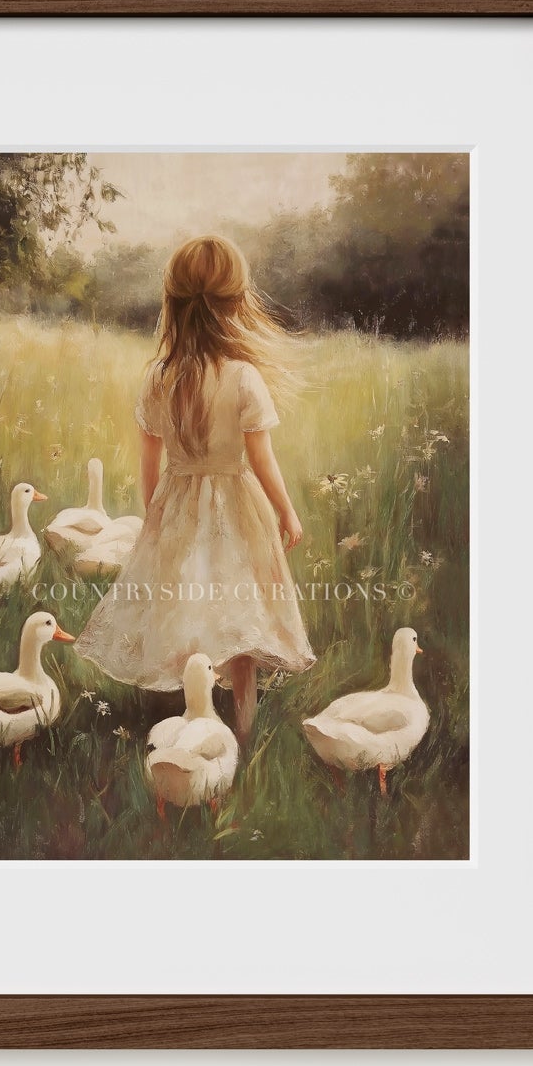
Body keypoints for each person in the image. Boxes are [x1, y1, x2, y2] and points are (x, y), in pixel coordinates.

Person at [74, 234, 315, 741]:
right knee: (241, 612)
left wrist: (154, 513)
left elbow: (150, 457)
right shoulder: (244, 377)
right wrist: (287, 512)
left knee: (188, 604)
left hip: (179, 502)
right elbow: (260, 457)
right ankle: (242, 728)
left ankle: (191, 721)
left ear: (174, 303)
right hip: (237, 505)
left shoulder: (160, 377)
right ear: (236, 305)